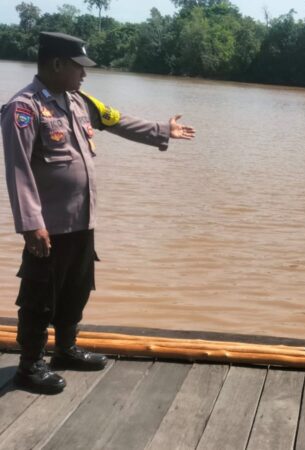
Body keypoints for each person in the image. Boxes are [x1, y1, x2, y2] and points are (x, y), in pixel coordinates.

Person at [1, 31, 196, 394]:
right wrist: (31, 225)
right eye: (80, 68)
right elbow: (17, 170)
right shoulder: (24, 108)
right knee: (39, 295)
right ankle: (29, 366)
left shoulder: (77, 101)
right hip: (49, 226)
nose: (85, 75)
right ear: (57, 64)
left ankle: (65, 350)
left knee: (77, 288)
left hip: (81, 220)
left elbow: (117, 120)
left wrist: (161, 130)